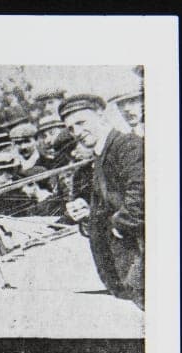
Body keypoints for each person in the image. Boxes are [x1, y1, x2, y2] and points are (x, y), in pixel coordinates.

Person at [60, 94, 144, 308]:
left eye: (81, 122)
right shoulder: (101, 155)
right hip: (126, 263)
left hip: (139, 257)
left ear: (101, 116)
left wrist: (119, 226)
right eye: (71, 128)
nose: (77, 132)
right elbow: (111, 203)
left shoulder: (127, 145)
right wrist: (87, 212)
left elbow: (141, 194)